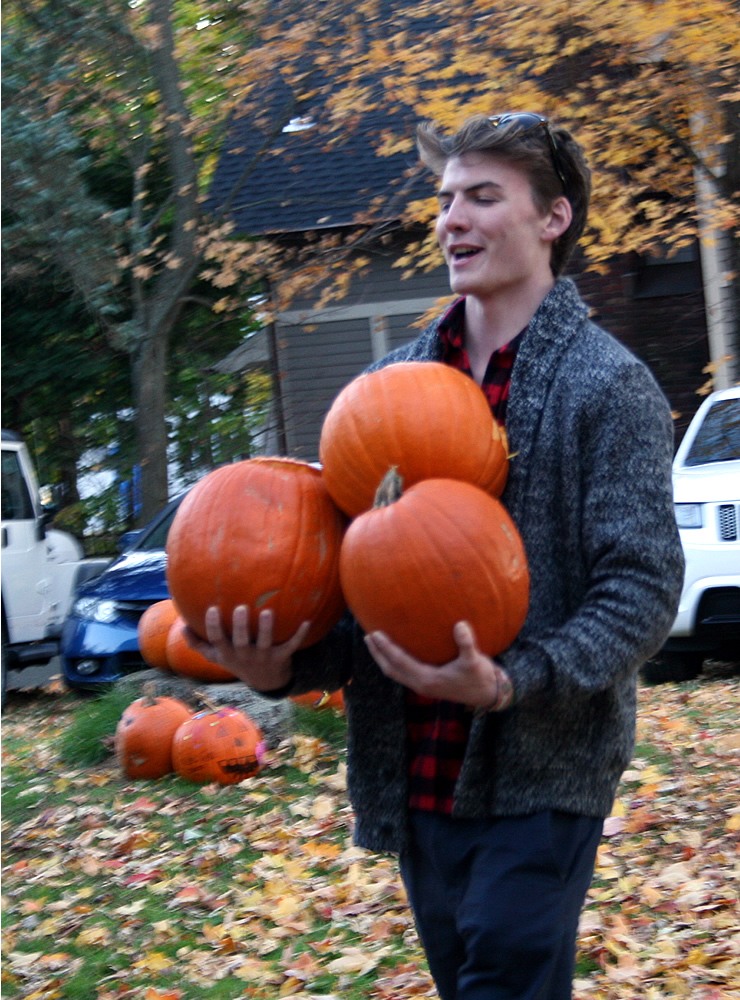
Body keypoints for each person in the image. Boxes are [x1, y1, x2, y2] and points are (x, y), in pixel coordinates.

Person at [187, 111, 685, 999]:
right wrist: (277, 666)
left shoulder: (608, 388)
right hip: (416, 759)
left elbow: (641, 590)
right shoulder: (384, 393)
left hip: (545, 758)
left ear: (553, 218)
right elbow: (354, 599)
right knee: (469, 980)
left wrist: (513, 678)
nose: (451, 218)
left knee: (505, 970)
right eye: (446, 198)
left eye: (483, 197)